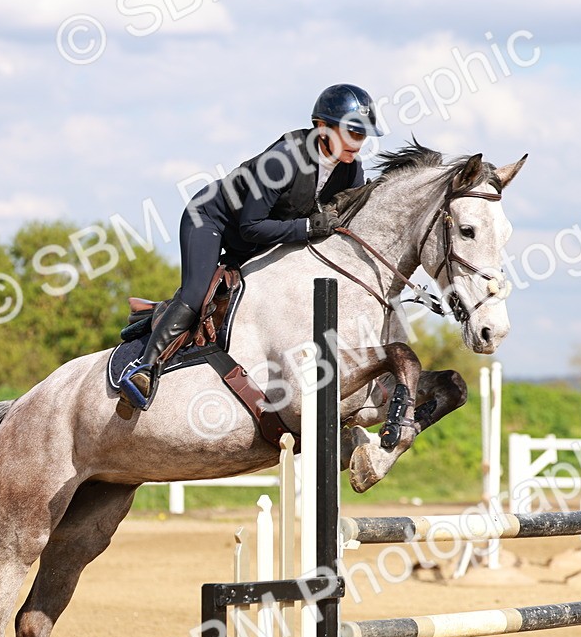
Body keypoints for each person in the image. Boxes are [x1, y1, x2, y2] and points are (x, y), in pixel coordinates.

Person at [119, 83, 384, 411]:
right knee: (194, 295)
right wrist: (306, 227)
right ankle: (143, 368)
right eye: (353, 134)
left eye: (362, 137)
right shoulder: (282, 159)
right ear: (322, 128)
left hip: (264, 234)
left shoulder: (351, 169)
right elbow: (251, 226)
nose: (358, 145)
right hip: (213, 222)